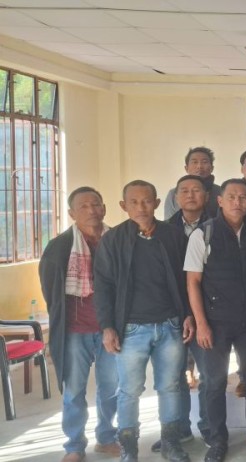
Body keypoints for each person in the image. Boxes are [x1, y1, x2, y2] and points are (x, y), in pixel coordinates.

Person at [94, 180, 194, 462]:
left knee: (170, 385)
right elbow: (103, 286)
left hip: (170, 325)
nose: (141, 207)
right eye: (134, 202)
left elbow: (188, 281)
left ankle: (171, 442)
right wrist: (107, 326)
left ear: (158, 203)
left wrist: (188, 314)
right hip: (130, 330)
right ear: (124, 206)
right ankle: (129, 447)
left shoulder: (173, 236)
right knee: (129, 390)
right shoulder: (112, 240)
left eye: (147, 201)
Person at [185, 178, 246, 461]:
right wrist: (201, 323)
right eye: (232, 197)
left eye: (243, 197)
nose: (238, 202)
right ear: (220, 201)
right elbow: (193, 282)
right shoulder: (204, 234)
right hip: (215, 322)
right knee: (213, 382)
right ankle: (217, 440)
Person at [40, 186, 120, 462]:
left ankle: (107, 437)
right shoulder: (59, 247)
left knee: (111, 387)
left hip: (111, 329)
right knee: (74, 390)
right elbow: (52, 295)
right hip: (75, 331)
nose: (92, 210)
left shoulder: (117, 240)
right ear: (72, 213)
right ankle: (74, 446)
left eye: (96, 204)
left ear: (105, 208)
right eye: (84, 206)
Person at [161, 175, 211, 452]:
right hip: (173, 311)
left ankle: (207, 427)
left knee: (208, 373)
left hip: (208, 310)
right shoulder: (163, 230)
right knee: (175, 374)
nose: (190, 195)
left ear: (206, 195)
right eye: (184, 191)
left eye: (196, 190)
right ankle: (178, 429)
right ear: (176, 197)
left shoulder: (218, 225)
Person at [163, 147, 221, 218]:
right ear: (186, 168)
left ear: (212, 168)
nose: (199, 166)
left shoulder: (221, 193)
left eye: (204, 162)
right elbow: (169, 224)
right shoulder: (174, 194)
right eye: (194, 162)